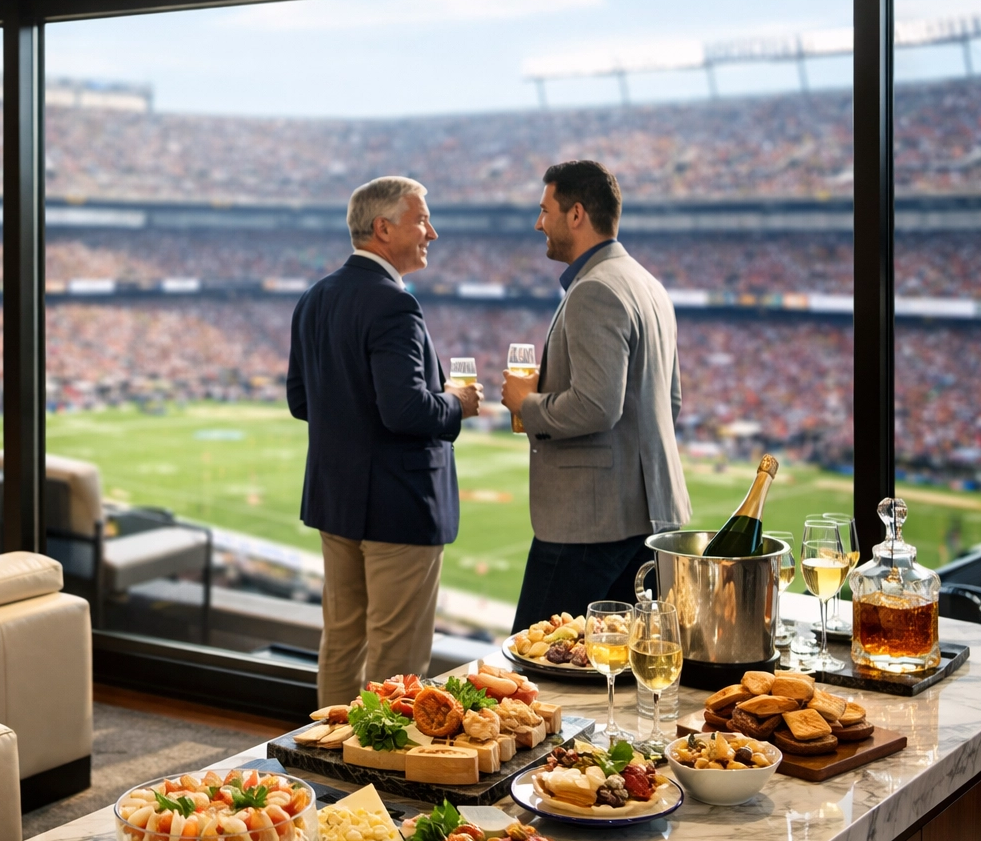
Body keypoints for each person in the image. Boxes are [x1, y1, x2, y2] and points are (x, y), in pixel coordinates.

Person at [287, 176, 483, 706]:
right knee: (397, 658)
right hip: (399, 507)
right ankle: (379, 778)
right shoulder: (394, 305)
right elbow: (406, 410)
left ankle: (328, 762)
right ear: (383, 228)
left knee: (341, 642)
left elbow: (301, 402)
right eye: (422, 220)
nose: (432, 233)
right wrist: (459, 403)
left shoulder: (314, 297)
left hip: (337, 501)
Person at [501, 160, 690, 633]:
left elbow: (596, 405)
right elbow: (671, 402)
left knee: (538, 661)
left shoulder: (595, 290)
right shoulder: (648, 284)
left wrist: (525, 403)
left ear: (577, 214)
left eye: (545, 210)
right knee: (618, 667)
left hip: (589, 520)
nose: (538, 223)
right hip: (647, 516)